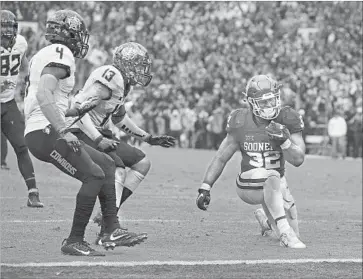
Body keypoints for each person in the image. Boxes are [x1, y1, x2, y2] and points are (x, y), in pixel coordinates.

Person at [23, 10, 146, 257]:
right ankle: (74, 239)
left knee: (108, 164)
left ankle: (111, 229)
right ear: (68, 34)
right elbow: (43, 96)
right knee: (94, 175)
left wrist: (76, 109)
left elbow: (51, 101)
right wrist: (62, 129)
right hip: (46, 131)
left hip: (44, 127)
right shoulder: (62, 54)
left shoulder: (43, 54)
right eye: (78, 34)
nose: (81, 40)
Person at [65, 42, 176, 245]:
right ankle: (110, 228)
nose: (142, 70)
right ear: (126, 64)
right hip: (81, 130)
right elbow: (78, 107)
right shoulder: (111, 75)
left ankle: (109, 214)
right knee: (117, 168)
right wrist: (98, 139)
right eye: (138, 65)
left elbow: (119, 119)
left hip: (100, 132)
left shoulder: (123, 82)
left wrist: (148, 138)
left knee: (142, 163)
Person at [196, 75, 306, 249]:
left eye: (272, 100)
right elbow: (221, 156)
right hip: (248, 183)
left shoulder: (287, 117)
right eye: (264, 102)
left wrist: (285, 142)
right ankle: (285, 231)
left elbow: (299, 159)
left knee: (292, 223)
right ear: (251, 102)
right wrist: (206, 186)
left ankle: (266, 220)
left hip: (277, 183)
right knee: (271, 177)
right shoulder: (240, 121)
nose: (270, 106)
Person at [0, 10, 43, 207]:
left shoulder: (21, 43)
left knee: (21, 146)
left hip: (7, 103)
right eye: (3, 27)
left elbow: (24, 65)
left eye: (10, 27)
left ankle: (33, 193)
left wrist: (27, 81)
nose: (7, 31)